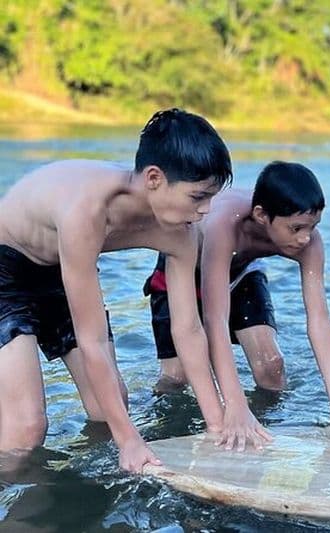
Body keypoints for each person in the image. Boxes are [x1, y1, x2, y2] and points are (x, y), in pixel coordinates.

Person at [0, 108, 242, 473]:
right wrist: (129, 440)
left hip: (58, 270)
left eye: (211, 198)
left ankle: (86, 493)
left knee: (108, 407)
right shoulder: (87, 210)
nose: (206, 210)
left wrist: (217, 425)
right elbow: (91, 340)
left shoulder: (182, 231)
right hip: (5, 270)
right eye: (198, 197)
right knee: (26, 428)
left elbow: (189, 330)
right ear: (155, 179)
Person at [143, 161, 330, 441]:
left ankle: (262, 425)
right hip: (184, 277)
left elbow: (320, 320)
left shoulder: (309, 242)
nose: (305, 237)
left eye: (313, 226)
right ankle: (165, 430)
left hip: (242, 273)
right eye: (295, 228)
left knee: (271, 367)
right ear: (261, 215)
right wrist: (235, 404)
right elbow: (215, 319)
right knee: (175, 379)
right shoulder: (226, 224)